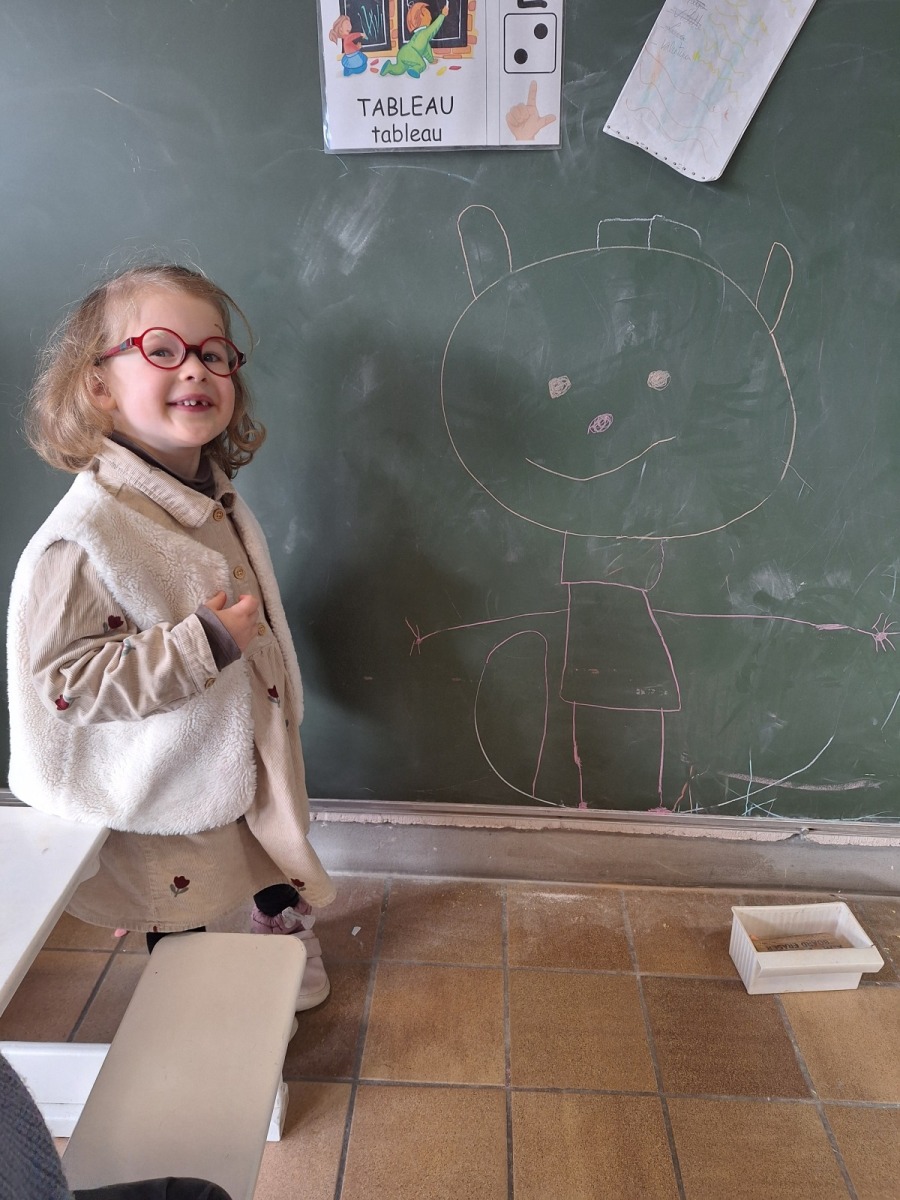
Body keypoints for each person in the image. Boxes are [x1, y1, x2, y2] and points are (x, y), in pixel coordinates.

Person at [7, 264, 336, 1008]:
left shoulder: (202, 490)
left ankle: (280, 927)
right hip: (164, 775)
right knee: (181, 897)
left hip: (236, 734)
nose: (195, 367)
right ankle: (196, 1005)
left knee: (268, 838)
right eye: (161, 350)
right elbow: (65, 684)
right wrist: (203, 643)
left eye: (214, 353)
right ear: (98, 385)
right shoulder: (86, 535)